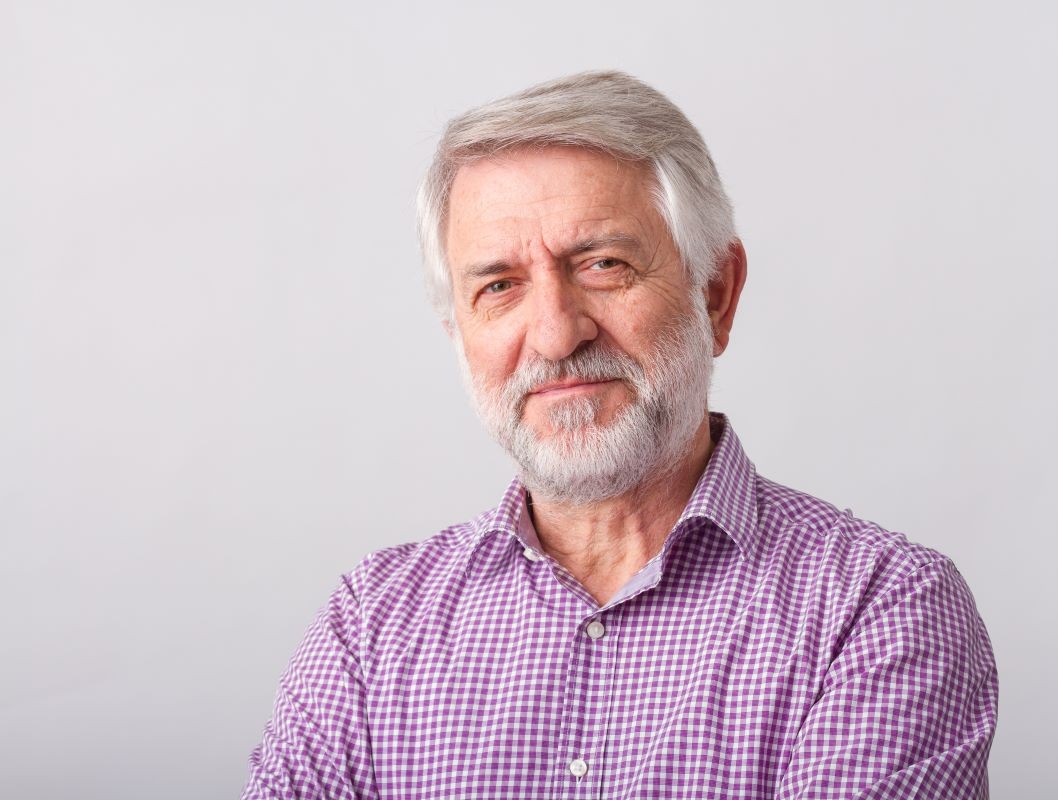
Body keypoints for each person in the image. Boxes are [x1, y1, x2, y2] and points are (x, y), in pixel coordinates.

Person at [242, 71, 998, 799]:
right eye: (499, 286)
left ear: (717, 295)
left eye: (603, 264)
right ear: (457, 330)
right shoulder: (371, 630)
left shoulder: (877, 608)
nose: (555, 334)